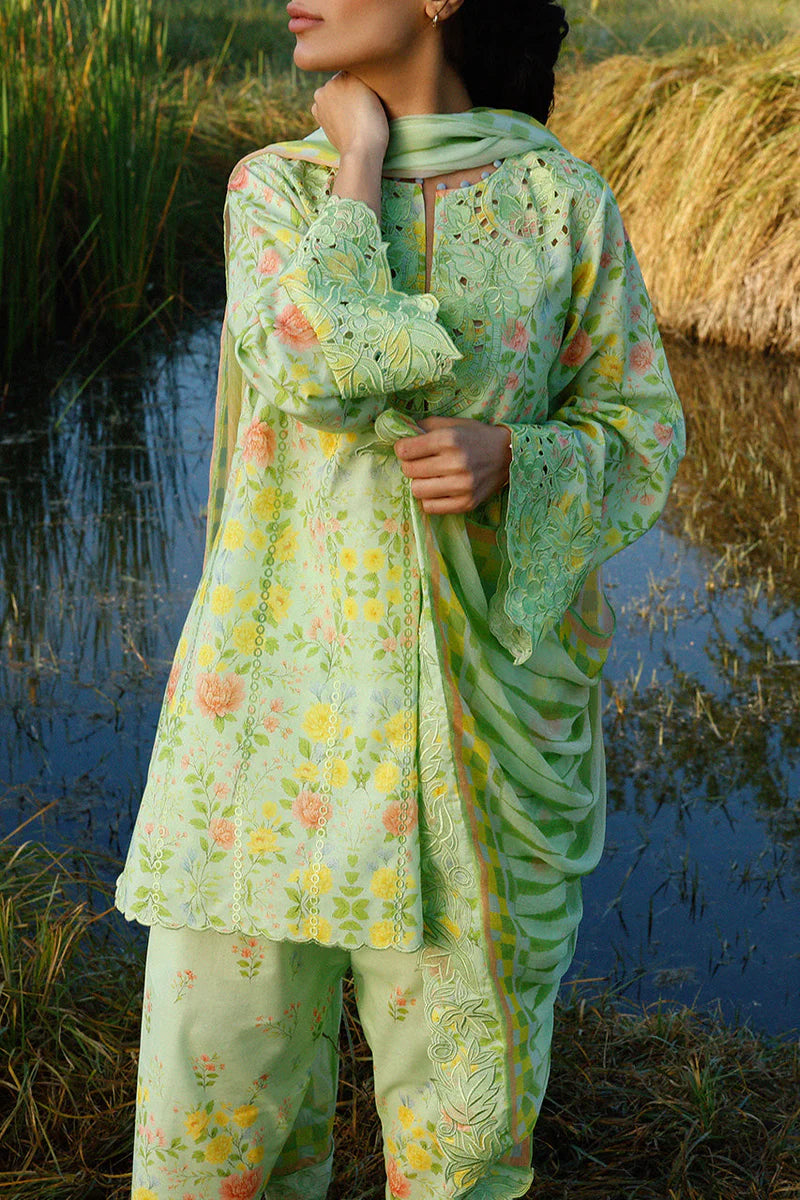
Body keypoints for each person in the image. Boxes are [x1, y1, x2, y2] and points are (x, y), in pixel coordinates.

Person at [115, 1, 685, 1197]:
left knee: (460, 1139)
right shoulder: (280, 187)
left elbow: (637, 429)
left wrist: (517, 458)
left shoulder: (560, 201)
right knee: (217, 1111)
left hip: (473, 735)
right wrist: (360, 161)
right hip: (273, 715)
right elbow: (317, 366)